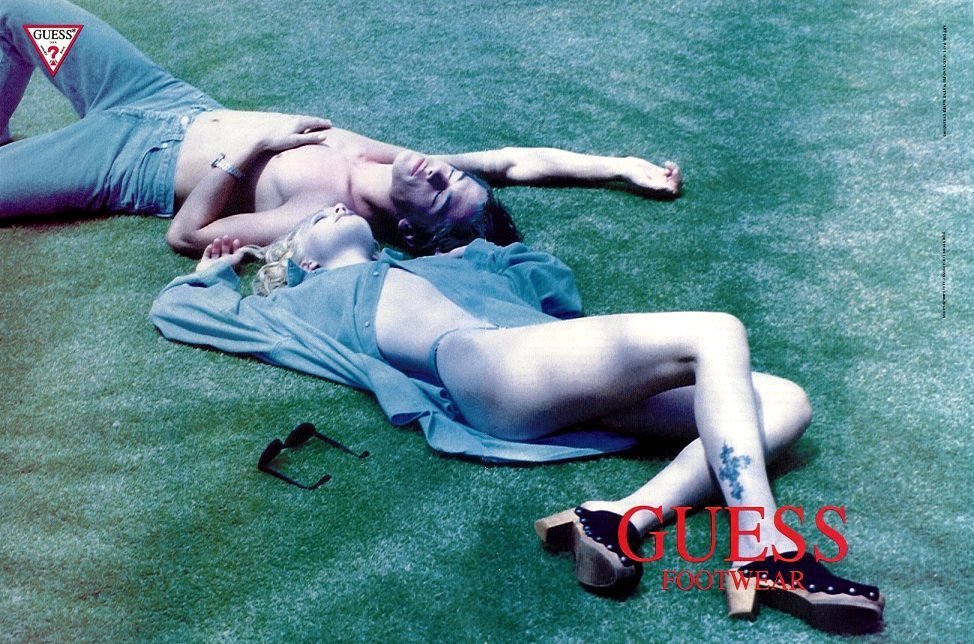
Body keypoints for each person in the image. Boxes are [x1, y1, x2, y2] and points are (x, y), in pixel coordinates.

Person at [150, 205, 884, 635]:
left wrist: (475, 244)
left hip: (537, 365)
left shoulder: (444, 266)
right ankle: (763, 544)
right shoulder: (294, 304)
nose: (333, 211)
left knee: (784, 402)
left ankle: (616, 517)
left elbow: (541, 277)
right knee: (714, 330)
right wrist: (216, 269)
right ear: (300, 263)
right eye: (315, 220)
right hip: (483, 368)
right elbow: (179, 308)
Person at [0, 0, 681, 256]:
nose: (441, 171)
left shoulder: (322, 214)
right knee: (18, 12)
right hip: (151, 94)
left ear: (409, 229)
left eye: (442, 192)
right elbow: (508, 162)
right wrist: (618, 166)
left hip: (119, 161)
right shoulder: (393, 160)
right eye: (454, 175)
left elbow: (187, 235)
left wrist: (250, 151)